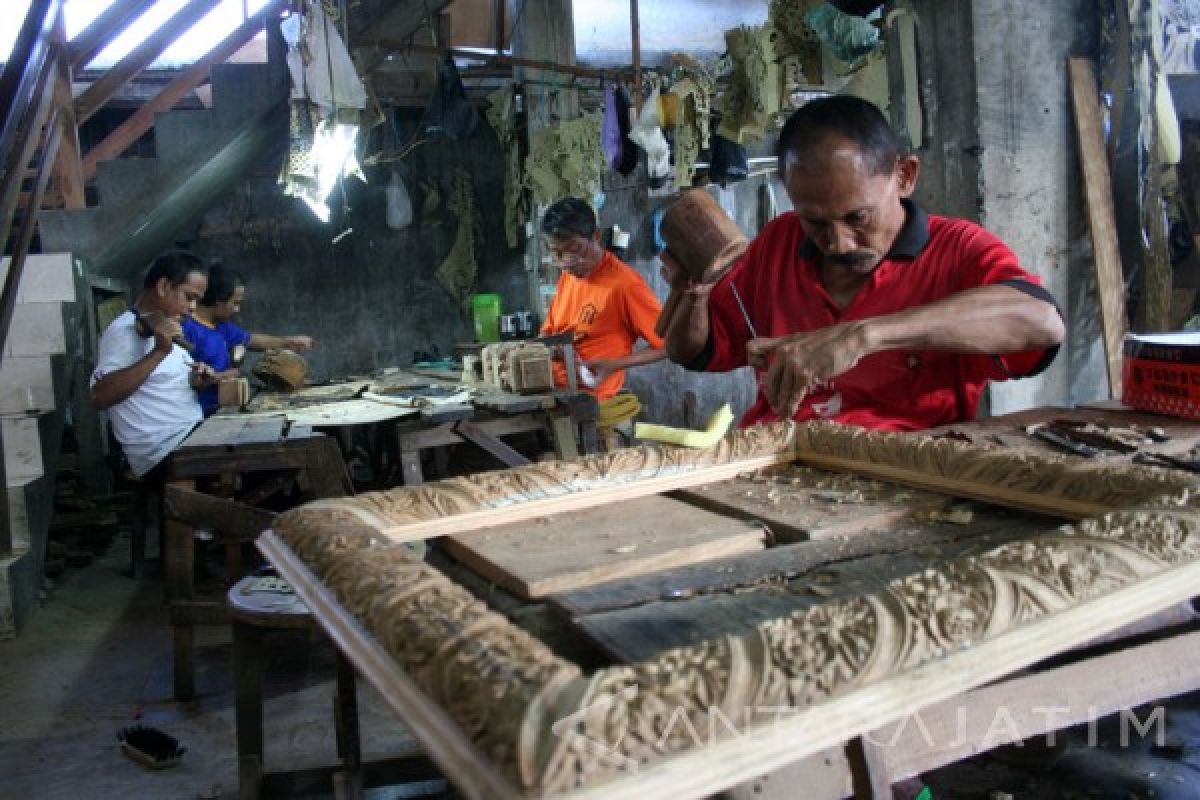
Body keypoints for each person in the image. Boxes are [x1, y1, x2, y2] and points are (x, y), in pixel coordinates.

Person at [663, 95, 1065, 431]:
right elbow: (694, 353)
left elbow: (1043, 322)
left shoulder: (957, 249)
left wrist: (863, 337)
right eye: (815, 222)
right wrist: (693, 294)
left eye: (858, 218)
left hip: (897, 475)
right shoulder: (780, 239)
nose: (838, 243)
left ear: (904, 176)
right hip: (777, 463)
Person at [90, 252, 218, 477]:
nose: (192, 307)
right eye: (189, 297)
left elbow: (160, 384)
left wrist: (196, 380)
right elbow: (100, 396)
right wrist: (158, 353)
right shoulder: (124, 331)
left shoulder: (164, 328)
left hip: (187, 435)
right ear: (163, 286)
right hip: (162, 451)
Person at [539, 198, 666, 401]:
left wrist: (615, 365)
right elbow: (549, 332)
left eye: (575, 249)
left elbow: (669, 345)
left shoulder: (624, 284)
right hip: (555, 391)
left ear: (596, 236)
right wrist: (557, 349)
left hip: (592, 399)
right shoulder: (568, 277)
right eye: (557, 253)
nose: (566, 262)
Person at [182, 263, 314, 415]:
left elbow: (251, 340)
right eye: (235, 303)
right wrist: (218, 377)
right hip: (201, 414)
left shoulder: (222, 326)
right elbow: (182, 379)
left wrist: (288, 342)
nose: (237, 309)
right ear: (219, 300)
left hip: (225, 407)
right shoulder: (187, 329)